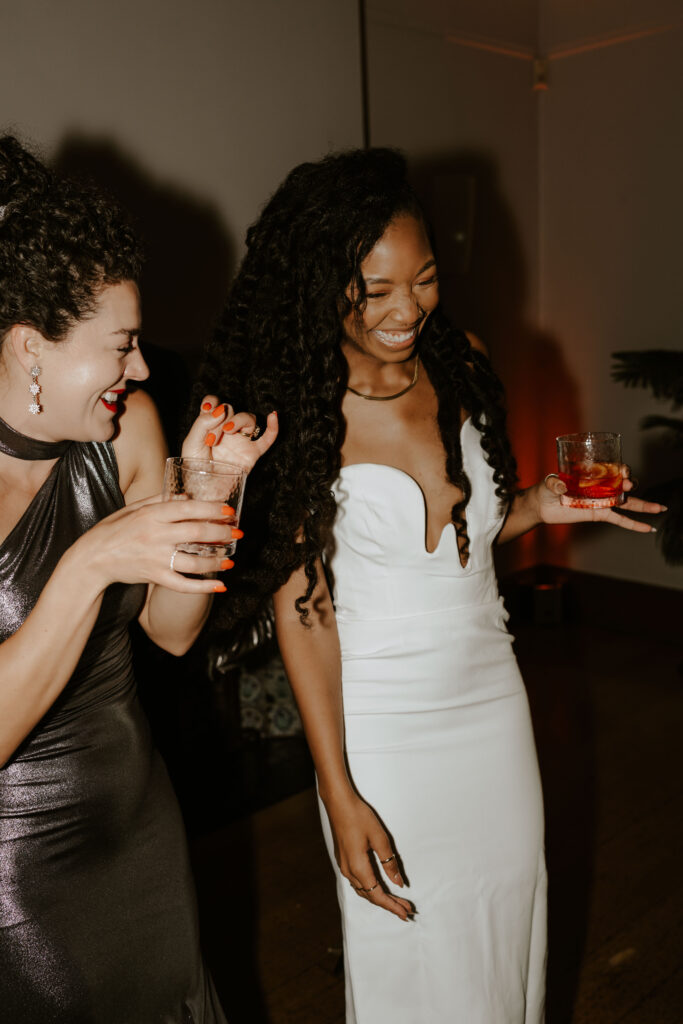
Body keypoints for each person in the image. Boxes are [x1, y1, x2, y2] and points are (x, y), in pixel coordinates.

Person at [196, 148, 663, 1024]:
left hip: (491, 703)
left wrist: (540, 504)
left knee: (505, 923)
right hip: (382, 727)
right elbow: (306, 613)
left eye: (424, 279)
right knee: (411, 958)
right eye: (374, 289)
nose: (406, 309)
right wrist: (337, 790)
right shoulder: (296, 409)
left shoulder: (461, 361)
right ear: (322, 283)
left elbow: (465, 540)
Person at [0, 135, 277, 1023]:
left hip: (138, 825)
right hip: (16, 874)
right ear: (29, 348)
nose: (143, 367)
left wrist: (211, 492)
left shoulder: (127, 430)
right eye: (120, 345)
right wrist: (88, 565)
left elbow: (173, 630)